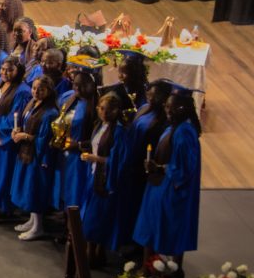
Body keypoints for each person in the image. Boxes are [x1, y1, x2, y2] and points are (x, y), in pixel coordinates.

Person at [133, 86, 202, 265]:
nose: (168, 111)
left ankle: (166, 270)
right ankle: (149, 267)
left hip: (172, 189)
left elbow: (185, 168)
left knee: (168, 230)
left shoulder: (185, 132)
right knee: (151, 229)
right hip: (160, 184)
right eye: (167, 107)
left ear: (184, 109)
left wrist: (161, 168)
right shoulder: (174, 127)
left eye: (173, 108)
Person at [107, 80, 171, 256]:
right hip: (131, 161)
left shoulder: (164, 120)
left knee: (139, 206)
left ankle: (139, 245)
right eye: (150, 94)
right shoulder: (144, 108)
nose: (151, 97)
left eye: (155, 95)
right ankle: (127, 238)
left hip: (143, 167)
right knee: (128, 204)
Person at [0, 56, 32, 223]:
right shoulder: (0, 84)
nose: (5, 73)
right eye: (3, 69)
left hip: (5, 135)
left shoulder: (22, 91)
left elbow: (15, 119)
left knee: (2, 173)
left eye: (10, 70)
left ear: (18, 71)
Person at [9, 75, 61, 240]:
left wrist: (25, 136)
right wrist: (16, 131)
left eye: (41, 89)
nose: (36, 92)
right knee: (27, 188)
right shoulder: (33, 104)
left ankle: (38, 226)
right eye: (34, 88)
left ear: (49, 91)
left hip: (39, 157)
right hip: (26, 152)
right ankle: (32, 220)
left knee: (35, 189)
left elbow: (44, 139)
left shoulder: (50, 113)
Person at [78, 92, 124, 266]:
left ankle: (98, 251)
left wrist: (95, 159)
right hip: (93, 174)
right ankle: (90, 250)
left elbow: (119, 160)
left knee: (98, 217)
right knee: (89, 214)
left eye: (109, 109)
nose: (104, 112)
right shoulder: (99, 125)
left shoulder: (119, 132)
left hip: (105, 179)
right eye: (101, 108)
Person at [53, 68, 99, 211]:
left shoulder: (95, 107)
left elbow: (97, 137)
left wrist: (79, 145)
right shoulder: (70, 99)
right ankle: (66, 223)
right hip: (65, 154)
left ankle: (74, 229)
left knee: (75, 193)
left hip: (80, 158)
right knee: (64, 190)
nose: (77, 88)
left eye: (82, 85)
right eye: (75, 84)